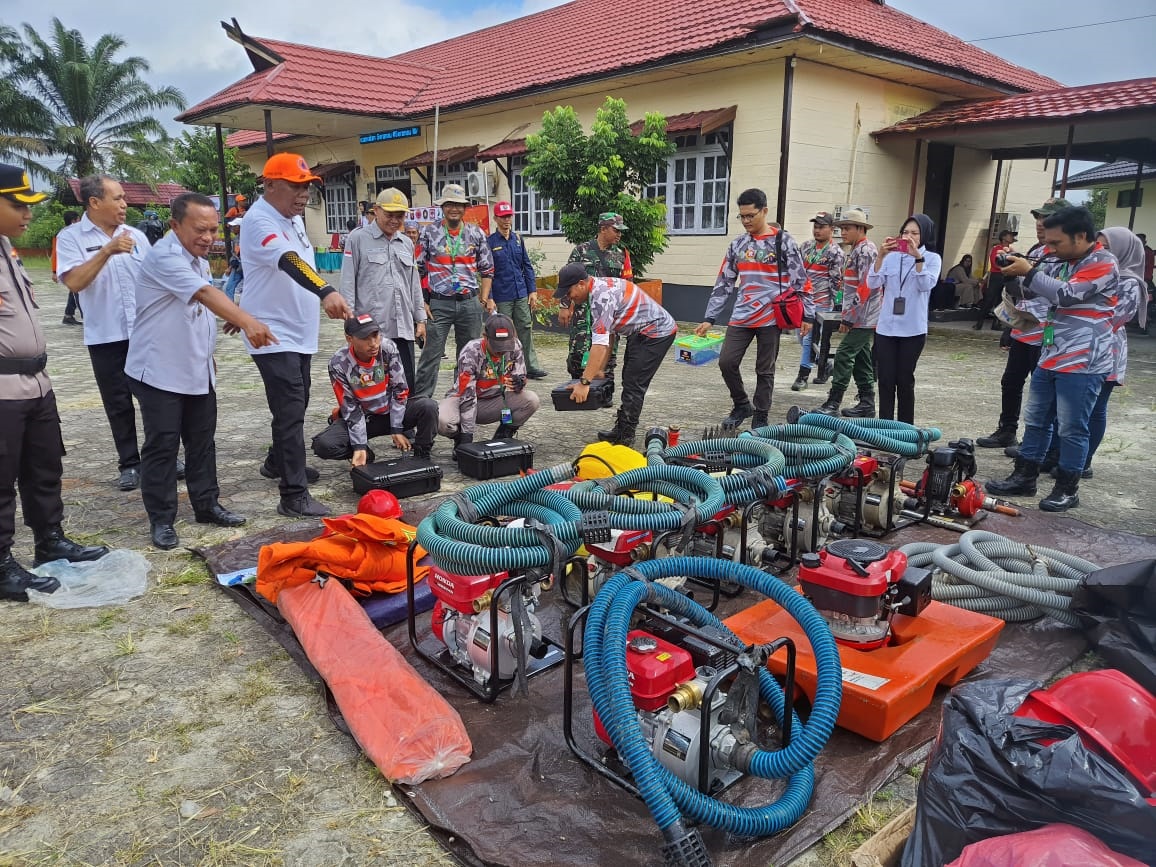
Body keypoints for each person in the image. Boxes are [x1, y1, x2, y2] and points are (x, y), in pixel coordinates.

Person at [125, 193, 277, 550]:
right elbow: (204, 294)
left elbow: (200, 303)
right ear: (175, 225)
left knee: (202, 443)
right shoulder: (164, 256)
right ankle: (162, 519)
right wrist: (244, 319)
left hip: (196, 368)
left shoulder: (198, 258)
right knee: (162, 446)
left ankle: (206, 505)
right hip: (159, 370)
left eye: (212, 230)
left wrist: (220, 325)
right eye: (200, 229)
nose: (208, 237)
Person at [0, 163, 109, 599]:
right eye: (17, 205)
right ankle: (2, 564)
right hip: (2, 390)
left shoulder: (7, 248)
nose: (28, 214)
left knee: (43, 469)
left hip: (37, 384)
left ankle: (50, 542)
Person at [238, 152, 351, 518]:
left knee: (297, 403)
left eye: (307, 188)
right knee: (289, 411)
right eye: (295, 187)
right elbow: (289, 261)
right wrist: (326, 291)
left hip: (298, 332)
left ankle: (278, 462)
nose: (303, 196)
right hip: (273, 334)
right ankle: (293, 494)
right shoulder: (258, 220)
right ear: (270, 185)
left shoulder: (293, 218)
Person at [988, 206, 1118, 512]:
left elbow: (1066, 295)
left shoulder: (1103, 262)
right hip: (1050, 354)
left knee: (1072, 427)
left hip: (1083, 362)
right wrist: (1011, 268)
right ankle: (1025, 476)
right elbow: (1032, 293)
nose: (1051, 249)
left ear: (1081, 236)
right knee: (1036, 421)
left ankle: (1067, 487)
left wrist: (1030, 272)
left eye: (1057, 243)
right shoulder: (1061, 261)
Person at [56, 175, 152, 490]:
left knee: (156, 399)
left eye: (124, 198)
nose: (124, 204)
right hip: (105, 336)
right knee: (118, 402)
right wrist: (107, 251)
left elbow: (155, 281)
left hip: (144, 334)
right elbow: (75, 282)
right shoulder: (71, 237)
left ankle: (158, 457)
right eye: (118, 198)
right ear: (94, 202)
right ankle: (130, 463)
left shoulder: (137, 235)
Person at [695, 188, 812, 428]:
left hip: (772, 316)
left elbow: (801, 279)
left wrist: (807, 315)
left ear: (764, 211)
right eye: (742, 216)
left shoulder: (783, 241)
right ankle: (741, 404)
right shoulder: (738, 244)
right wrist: (710, 316)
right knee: (726, 362)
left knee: (764, 369)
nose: (746, 221)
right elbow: (724, 281)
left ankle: (761, 414)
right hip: (742, 315)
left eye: (751, 215)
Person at [975, 198, 1071, 451]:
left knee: (1042, 393)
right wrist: (1009, 328)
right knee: (1011, 382)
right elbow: (1021, 292)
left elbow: (1051, 292)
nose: (1041, 224)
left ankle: (1037, 443)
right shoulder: (1037, 254)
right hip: (1024, 330)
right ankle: (1007, 430)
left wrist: (1024, 277)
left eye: (1047, 219)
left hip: (1046, 334)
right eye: (1039, 218)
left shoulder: (1066, 257)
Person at [555, 263, 677, 446]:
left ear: (581, 283)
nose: (569, 297)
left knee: (634, 382)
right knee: (629, 378)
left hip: (657, 332)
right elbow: (609, 333)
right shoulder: (597, 289)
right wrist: (600, 368)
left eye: (569, 292)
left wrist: (584, 382)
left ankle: (626, 436)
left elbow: (599, 345)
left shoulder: (601, 297)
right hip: (640, 331)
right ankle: (621, 429)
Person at [312, 314, 438, 466]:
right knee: (323, 444)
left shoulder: (387, 348)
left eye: (376, 335)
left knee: (428, 406)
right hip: (364, 417)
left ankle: (422, 455)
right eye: (365, 338)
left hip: (390, 410)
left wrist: (396, 428)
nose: (373, 343)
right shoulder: (338, 363)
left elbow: (400, 390)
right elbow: (350, 407)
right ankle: (363, 455)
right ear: (349, 339)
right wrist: (359, 446)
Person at [339, 187, 427, 392]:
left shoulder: (406, 243)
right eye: (389, 215)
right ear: (376, 210)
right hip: (371, 330)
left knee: (405, 385)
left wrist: (420, 319)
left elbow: (414, 284)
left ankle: (404, 424)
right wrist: (350, 322)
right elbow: (347, 282)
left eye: (400, 216)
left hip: (403, 327)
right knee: (373, 385)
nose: (395, 221)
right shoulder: (357, 239)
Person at [1076, 227, 1146, 479]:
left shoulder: (1130, 282)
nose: (1099, 250)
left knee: (1096, 408)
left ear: (1123, 250)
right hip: (1083, 344)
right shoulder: (1097, 272)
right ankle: (1068, 457)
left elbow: (1115, 317)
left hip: (1107, 347)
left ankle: (1084, 462)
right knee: (1078, 408)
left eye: (1106, 247)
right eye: (1097, 245)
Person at [414, 183, 493, 398]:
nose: (454, 209)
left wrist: (483, 299)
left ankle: (463, 399)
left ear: (465, 207)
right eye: (450, 205)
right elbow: (418, 270)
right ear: (443, 207)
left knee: (468, 355)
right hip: (438, 303)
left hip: (469, 303)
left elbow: (487, 269)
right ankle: (421, 404)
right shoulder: (429, 232)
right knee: (431, 355)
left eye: (458, 205)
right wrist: (423, 301)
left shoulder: (476, 233)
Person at [868, 214, 942, 424]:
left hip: (912, 329)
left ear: (924, 235)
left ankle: (905, 429)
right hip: (886, 328)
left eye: (914, 233)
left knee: (904, 379)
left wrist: (918, 258)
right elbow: (873, 282)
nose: (908, 237)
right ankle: (884, 428)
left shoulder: (932, 258)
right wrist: (881, 256)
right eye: (905, 232)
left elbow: (925, 285)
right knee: (885, 380)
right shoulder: (891, 257)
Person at [438, 313, 540, 449]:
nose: (502, 351)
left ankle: (503, 437)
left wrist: (519, 382)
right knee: (441, 420)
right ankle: (459, 440)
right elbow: (467, 397)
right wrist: (467, 439)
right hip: (463, 400)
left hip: (496, 400)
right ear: (485, 337)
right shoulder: (471, 351)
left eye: (506, 345)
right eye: (498, 346)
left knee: (531, 400)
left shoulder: (515, 345)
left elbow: (520, 374)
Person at [815, 209, 880, 418]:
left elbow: (866, 287)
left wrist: (849, 318)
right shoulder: (858, 250)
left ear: (860, 229)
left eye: (847, 228)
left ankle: (833, 402)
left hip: (864, 316)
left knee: (843, 354)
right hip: (860, 315)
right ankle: (867, 402)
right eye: (841, 228)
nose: (842, 232)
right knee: (861, 358)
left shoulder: (866, 251)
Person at [565, 212, 633, 401]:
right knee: (578, 350)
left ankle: (605, 393)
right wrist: (565, 305)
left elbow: (628, 284)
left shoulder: (621, 254)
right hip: (583, 311)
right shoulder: (582, 250)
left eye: (621, 231)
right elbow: (568, 279)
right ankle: (577, 388)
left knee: (608, 352)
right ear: (603, 229)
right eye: (615, 230)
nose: (619, 235)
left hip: (609, 313)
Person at [488, 200, 547, 379]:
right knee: (503, 332)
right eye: (502, 217)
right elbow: (486, 272)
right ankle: (503, 367)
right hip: (502, 295)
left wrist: (532, 290)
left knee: (525, 327)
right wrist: (489, 297)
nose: (506, 220)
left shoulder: (518, 239)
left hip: (520, 292)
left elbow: (527, 266)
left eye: (508, 217)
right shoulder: (490, 242)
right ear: (495, 218)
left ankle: (531, 366)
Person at [794, 211, 844, 391]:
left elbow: (836, 280)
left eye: (822, 227)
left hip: (821, 302)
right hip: (802, 300)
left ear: (831, 229)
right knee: (800, 336)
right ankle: (824, 365)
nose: (817, 230)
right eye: (815, 226)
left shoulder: (835, 252)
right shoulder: (806, 246)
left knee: (809, 338)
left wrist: (838, 304)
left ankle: (802, 376)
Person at [974, 228, 1017, 330]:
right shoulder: (996, 248)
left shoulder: (1011, 250)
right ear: (1003, 238)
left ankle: (996, 323)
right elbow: (995, 262)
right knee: (989, 299)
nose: (1012, 237)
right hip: (996, 276)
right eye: (1010, 235)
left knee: (1001, 300)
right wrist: (1007, 268)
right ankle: (979, 322)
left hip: (1005, 276)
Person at [52, 210, 83, 325]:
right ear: (74, 220)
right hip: (70, 269)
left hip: (79, 268)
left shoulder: (76, 232)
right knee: (77, 293)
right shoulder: (62, 235)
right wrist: (54, 272)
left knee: (74, 291)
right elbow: (55, 254)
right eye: (78, 219)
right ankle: (86, 316)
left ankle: (68, 315)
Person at [223, 217, 245, 302]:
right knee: (229, 288)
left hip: (247, 268)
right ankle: (230, 310)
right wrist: (230, 267)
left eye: (234, 226)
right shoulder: (235, 239)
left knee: (244, 290)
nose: (232, 228)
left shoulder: (249, 239)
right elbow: (234, 254)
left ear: (240, 227)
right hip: (237, 267)